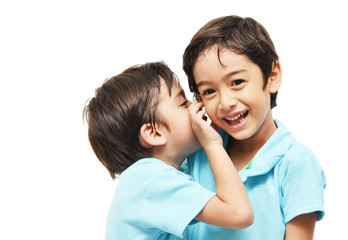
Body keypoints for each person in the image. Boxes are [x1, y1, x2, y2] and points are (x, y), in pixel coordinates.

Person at [183, 15, 326, 239]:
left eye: (237, 82)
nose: (225, 102)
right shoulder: (197, 156)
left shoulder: (296, 162)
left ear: (272, 76)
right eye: (209, 91)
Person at [83, 61, 253, 240]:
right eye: (183, 103)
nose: (196, 105)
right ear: (154, 133)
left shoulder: (158, 176)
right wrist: (212, 144)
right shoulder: (149, 180)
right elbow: (240, 214)